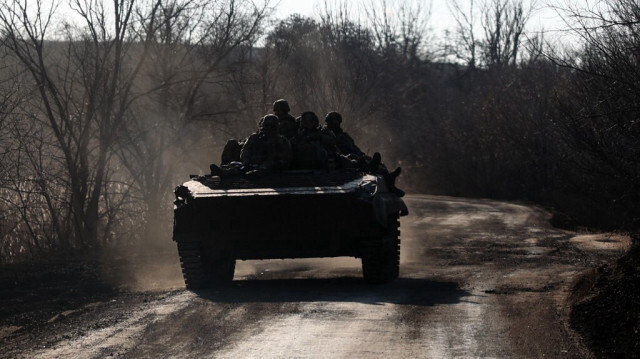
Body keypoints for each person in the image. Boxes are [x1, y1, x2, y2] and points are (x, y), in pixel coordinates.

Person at [211, 114, 291, 176]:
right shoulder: (254, 138)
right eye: (267, 125)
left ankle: (257, 172)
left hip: (270, 167)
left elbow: (286, 158)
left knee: (267, 168)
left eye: (272, 126)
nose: (269, 128)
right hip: (252, 164)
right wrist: (247, 162)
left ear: (276, 126)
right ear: (263, 126)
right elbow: (245, 150)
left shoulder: (281, 141)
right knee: (236, 166)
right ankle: (224, 172)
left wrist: (270, 164)